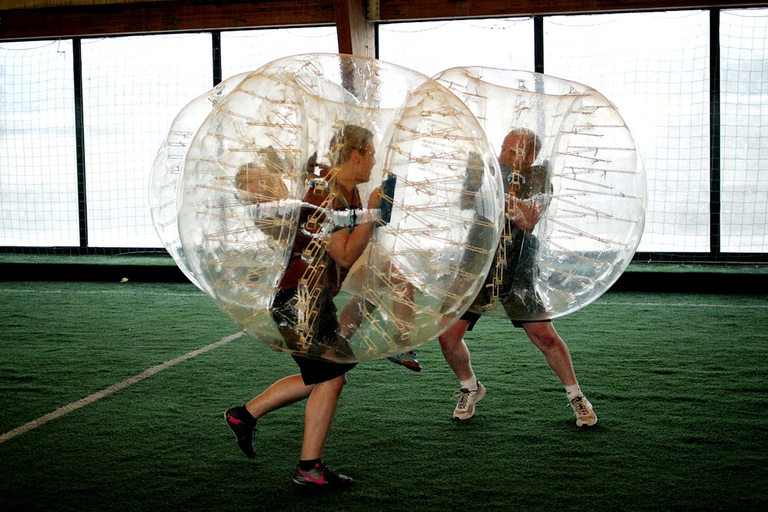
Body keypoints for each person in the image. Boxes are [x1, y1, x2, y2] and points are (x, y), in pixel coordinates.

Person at [224, 124, 381, 488]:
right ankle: (308, 468)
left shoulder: (345, 190)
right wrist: (373, 215)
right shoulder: (330, 196)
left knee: (326, 375)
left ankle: (246, 415)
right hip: (300, 300)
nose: (374, 161)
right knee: (331, 376)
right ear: (356, 155)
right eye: (371, 153)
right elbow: (342, 254)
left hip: (308, 296)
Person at [438, 128, 598, 427]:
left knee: (544, 335)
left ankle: (576, 396)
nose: (506, 156)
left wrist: (506, 199)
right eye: (504, 148)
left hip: (517, 263)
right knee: (447, 335)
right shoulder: (488, 170)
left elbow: (528, 221)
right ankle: (470, 387)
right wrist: (478, 180)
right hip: (478, 259)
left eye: (515, 152)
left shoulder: (538, 179)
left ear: (532, 157)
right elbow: (463, 202)